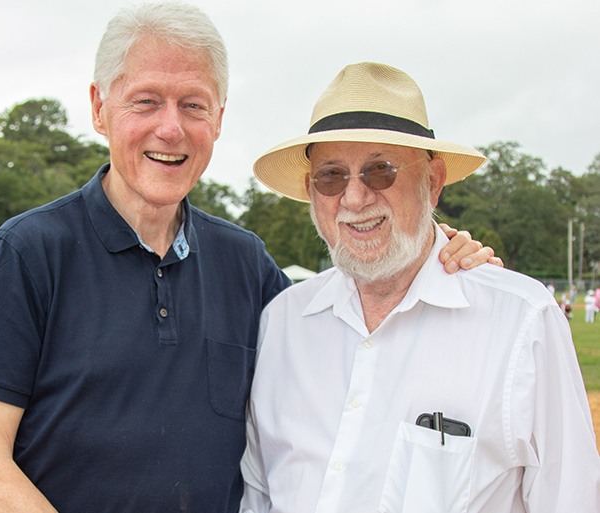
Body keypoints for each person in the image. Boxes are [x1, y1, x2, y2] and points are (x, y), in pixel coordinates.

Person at [0, 6, 497, 512]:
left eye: (193, 105)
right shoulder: (26, 252)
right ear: (99, 108)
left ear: (219, 118)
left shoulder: (245, 262)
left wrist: (433, 254)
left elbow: (350, 328)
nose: (171, 128)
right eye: (146, 100)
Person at [241, 62, 600, 512]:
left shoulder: (521, 321)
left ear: (433, 183)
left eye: (381, 171)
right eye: (331, 176)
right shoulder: (282, 321)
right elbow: (256, 497)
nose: (354, 199)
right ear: (312, 193)